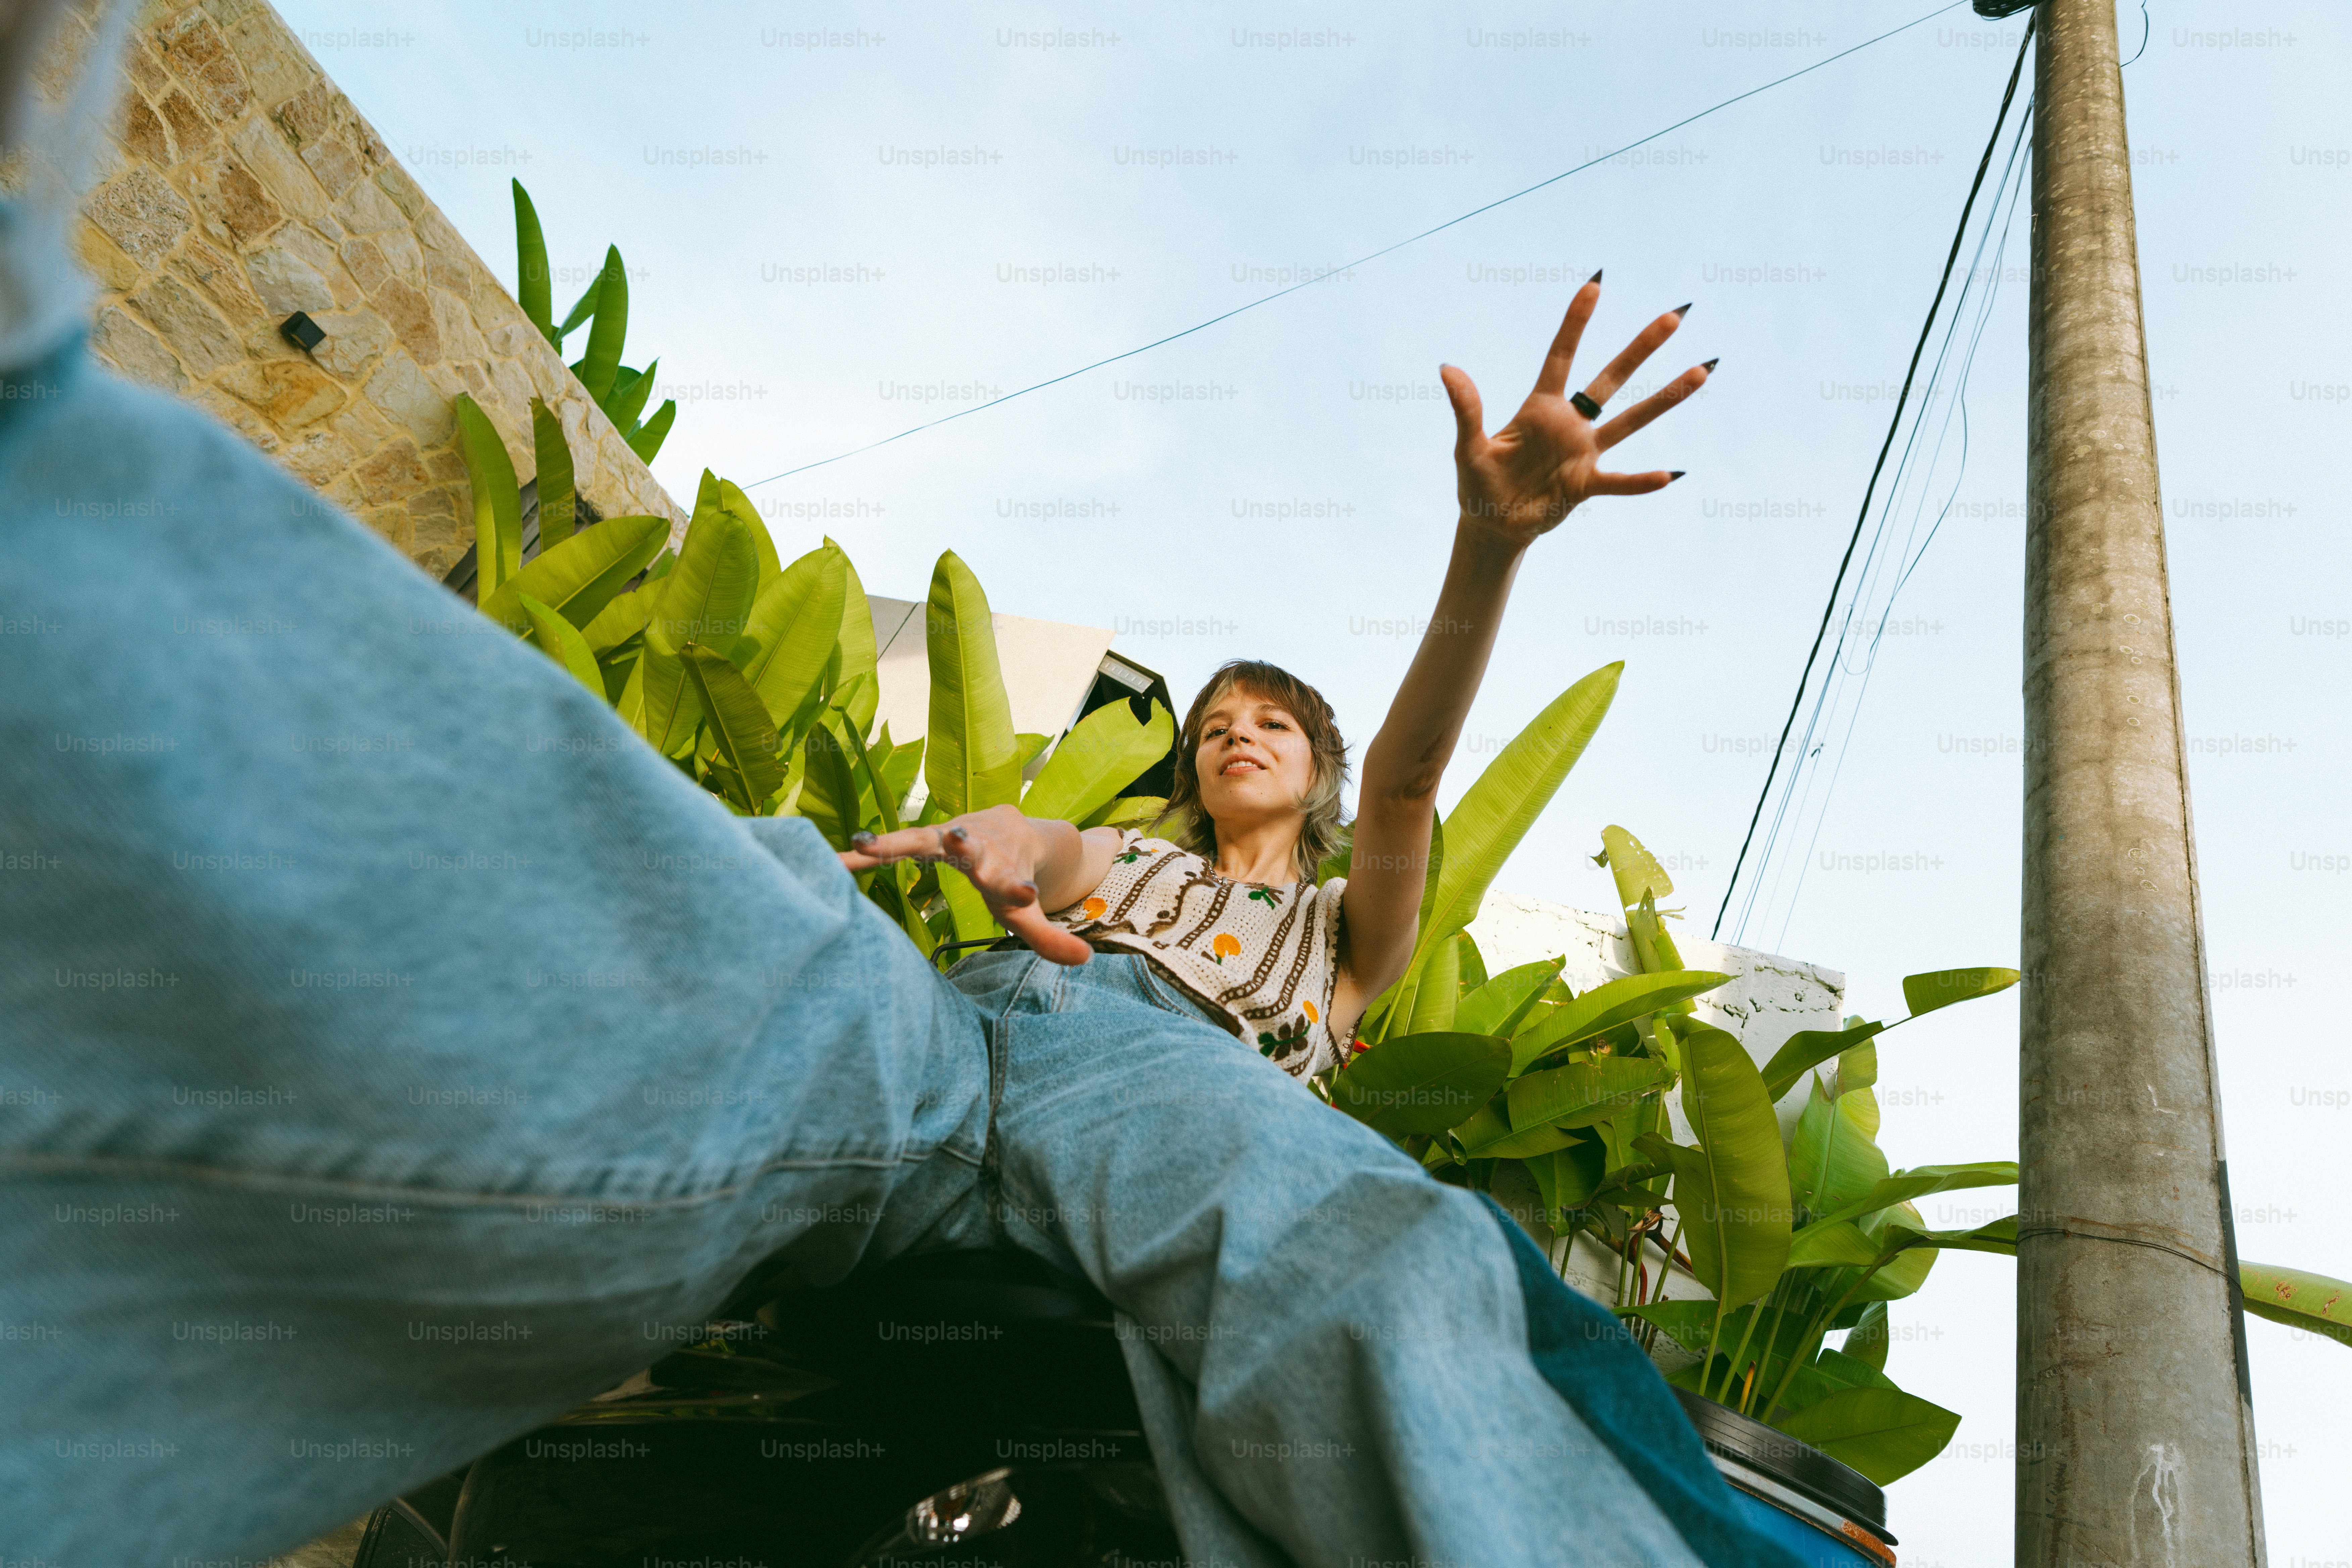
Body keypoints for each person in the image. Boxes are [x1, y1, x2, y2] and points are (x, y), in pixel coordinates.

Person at [0, 4, 1827, 1565]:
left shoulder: (1339, 936)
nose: (1232, 739)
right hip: (957, 1023)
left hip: (1172, 1090)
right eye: (1214, 727)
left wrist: (1487, 553)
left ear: (1315, 768)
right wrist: (990, 841)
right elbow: (1037, 846)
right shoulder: (1129, 855)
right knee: (648, 950)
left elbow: (1423, 781)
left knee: (1364, 1262)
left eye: (1269, 725)